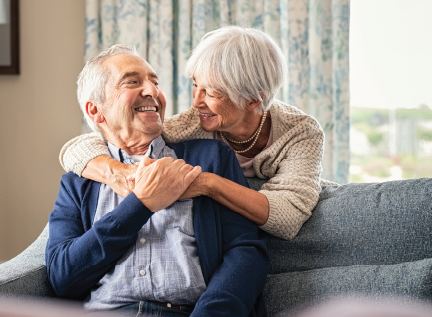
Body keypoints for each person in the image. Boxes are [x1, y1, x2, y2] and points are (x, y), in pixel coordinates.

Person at [46, 44, 269, 317]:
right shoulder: (78, 183)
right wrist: (140, 205)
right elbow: (62, 278)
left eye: (155, 82)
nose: (153, 91)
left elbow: (246, 252)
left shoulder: (210, 158)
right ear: (96, 111)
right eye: (132, 82)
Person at [59, 26, 330, 240]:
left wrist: (206, 184)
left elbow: (288, 218)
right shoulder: (193, 124)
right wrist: (119, 172)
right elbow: (80, 147)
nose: (196, 102)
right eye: (195, 86)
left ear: (253, 101)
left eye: (211, 92)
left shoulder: (301, 133)